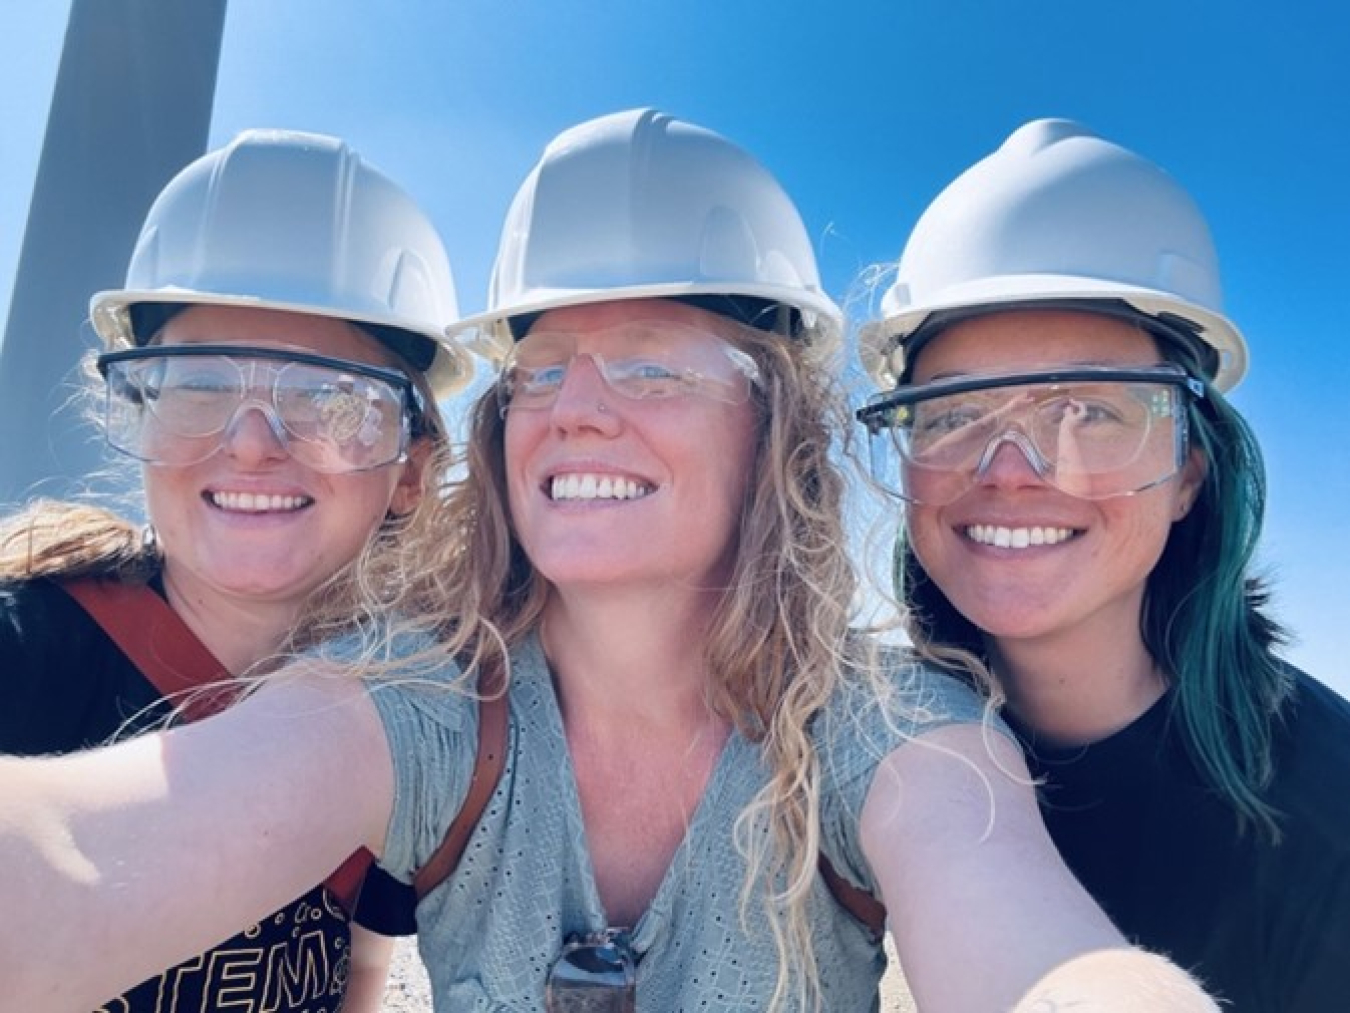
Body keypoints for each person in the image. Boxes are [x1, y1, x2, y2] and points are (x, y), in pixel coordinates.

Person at [1, 110, 1221, 1013]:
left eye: (649, 363)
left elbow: (1049, 966)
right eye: (541, 368)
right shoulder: (418, 700)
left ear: (771, 432)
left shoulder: (885, 723)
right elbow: (74, 857)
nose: (576, 408)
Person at [856, 117, 1350, 1012]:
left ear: (1190, 474)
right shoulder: (861, 750)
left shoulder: (1329, 817)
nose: (1009, 470)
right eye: (953, 413)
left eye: (1089, 411)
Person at [0, 128, 470, 1013]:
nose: (252, 442)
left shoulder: (404, 722)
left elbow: (360, 978)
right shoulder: (28, 647)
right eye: (197, 385)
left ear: (409, 467)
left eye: (328, 398)